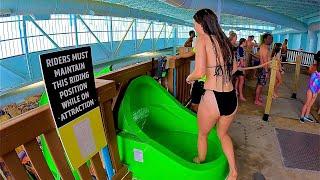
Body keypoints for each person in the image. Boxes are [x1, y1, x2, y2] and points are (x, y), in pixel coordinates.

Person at [186, 9, 238, 180]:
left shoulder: (202, 40)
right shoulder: (224, 40)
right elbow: (235, 68)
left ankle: (200, 161)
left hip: (213, 97)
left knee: (202, 134)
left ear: (201, 24)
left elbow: (199, 71)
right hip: (231, 97)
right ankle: (233, 172)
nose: (194, 25)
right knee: (223, 134)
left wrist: (189, 78)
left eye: (195, 22)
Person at [300, 52, 320, 123]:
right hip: (311, 90)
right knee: (307, 103)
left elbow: (319, 83)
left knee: (310, 104)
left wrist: (318, 90)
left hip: (316, 90)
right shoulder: (315, 72)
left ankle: (306, 116)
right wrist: (314, 92)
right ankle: (302, 116)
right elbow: (311, 84)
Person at [254, 33, 273, 106]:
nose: (271, 40)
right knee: (260, 85)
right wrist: (267, 71)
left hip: (262, 68)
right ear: (265, 39)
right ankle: (256, 100)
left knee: (260, 84)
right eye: (269, 39)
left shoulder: (263, 46)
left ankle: (258, 97)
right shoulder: (264, 48)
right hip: (264, 68)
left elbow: (259, 56)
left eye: (271, 39)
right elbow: (265, 61)